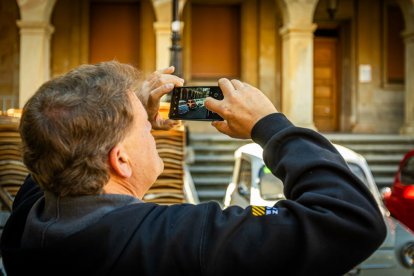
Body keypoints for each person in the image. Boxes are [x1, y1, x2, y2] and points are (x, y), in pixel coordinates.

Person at [0, 61, 385, 275]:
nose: (154, 127)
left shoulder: (25, 226)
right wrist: (270, 126)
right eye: (144, 126)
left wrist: (119, 111)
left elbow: (52, 151)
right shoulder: (180, 240)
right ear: (120, 160)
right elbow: (350, 220)